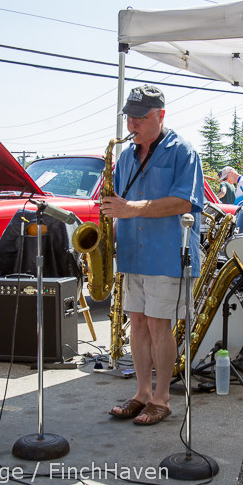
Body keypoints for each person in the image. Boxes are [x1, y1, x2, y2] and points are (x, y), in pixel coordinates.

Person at [102, 85, 203, 425]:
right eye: (128, 117)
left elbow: (185, 202)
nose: (132, 124)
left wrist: (133, 209)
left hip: (167, 253)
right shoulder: (125, 156)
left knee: (160, 325)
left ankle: (162, 398)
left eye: (140, 117)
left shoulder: (183, 151)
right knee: (137, 324)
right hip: (133, 253)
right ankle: (142, 393)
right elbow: (116, 203)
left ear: (160, 115)